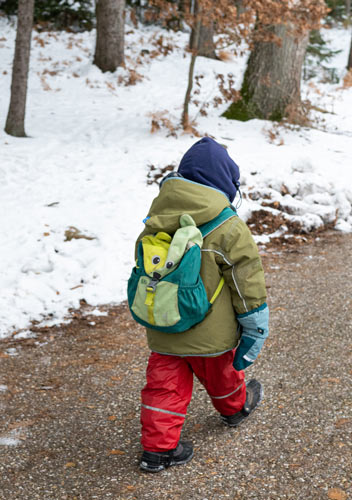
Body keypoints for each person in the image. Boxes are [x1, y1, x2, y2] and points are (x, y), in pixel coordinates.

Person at [134, 137, 269, 473]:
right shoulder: (227, 225)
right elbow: (245, 279)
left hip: (164, 325)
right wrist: (255, 323)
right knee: (223, 374)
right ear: (225, 183)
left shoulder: (155, 218)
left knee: (163, 387)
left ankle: (158, 452)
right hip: (211, 333)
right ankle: (235, 410)